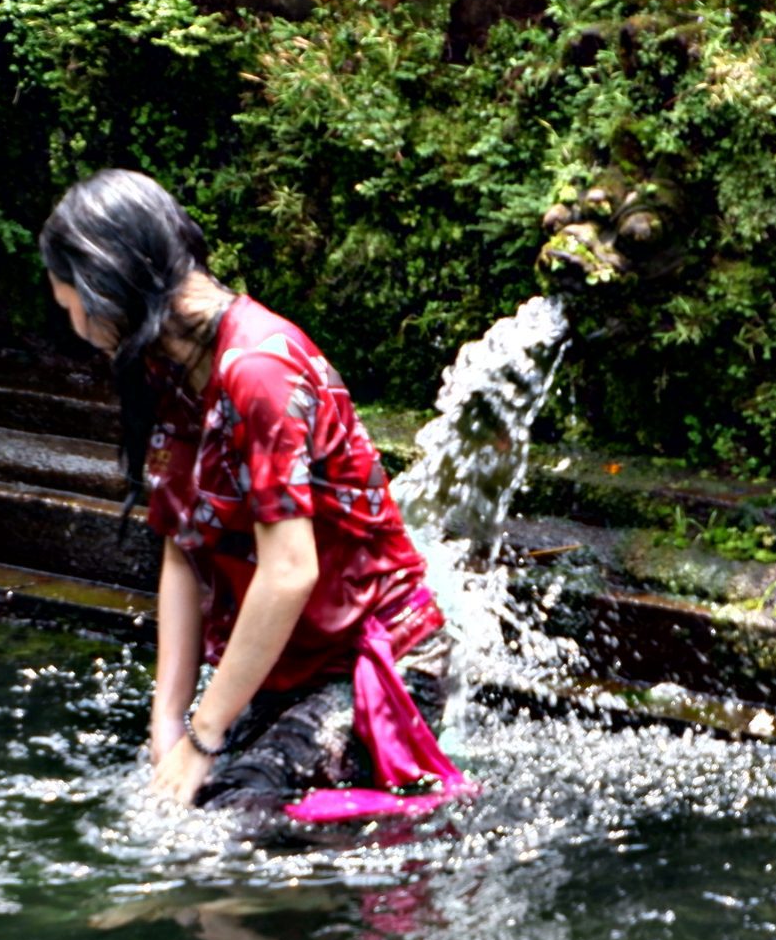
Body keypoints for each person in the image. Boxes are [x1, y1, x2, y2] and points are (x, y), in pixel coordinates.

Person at [39, 169, 468, 819]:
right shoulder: (165, 366)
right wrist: (170, 727)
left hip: (375, 660)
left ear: (105, 285)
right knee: (178, 804)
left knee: (230, 821)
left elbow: (290, 572)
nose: (71, 321)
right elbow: (181, 549)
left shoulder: (259, 370)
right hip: (290, 666)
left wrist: (206, 736)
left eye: (69, 301)